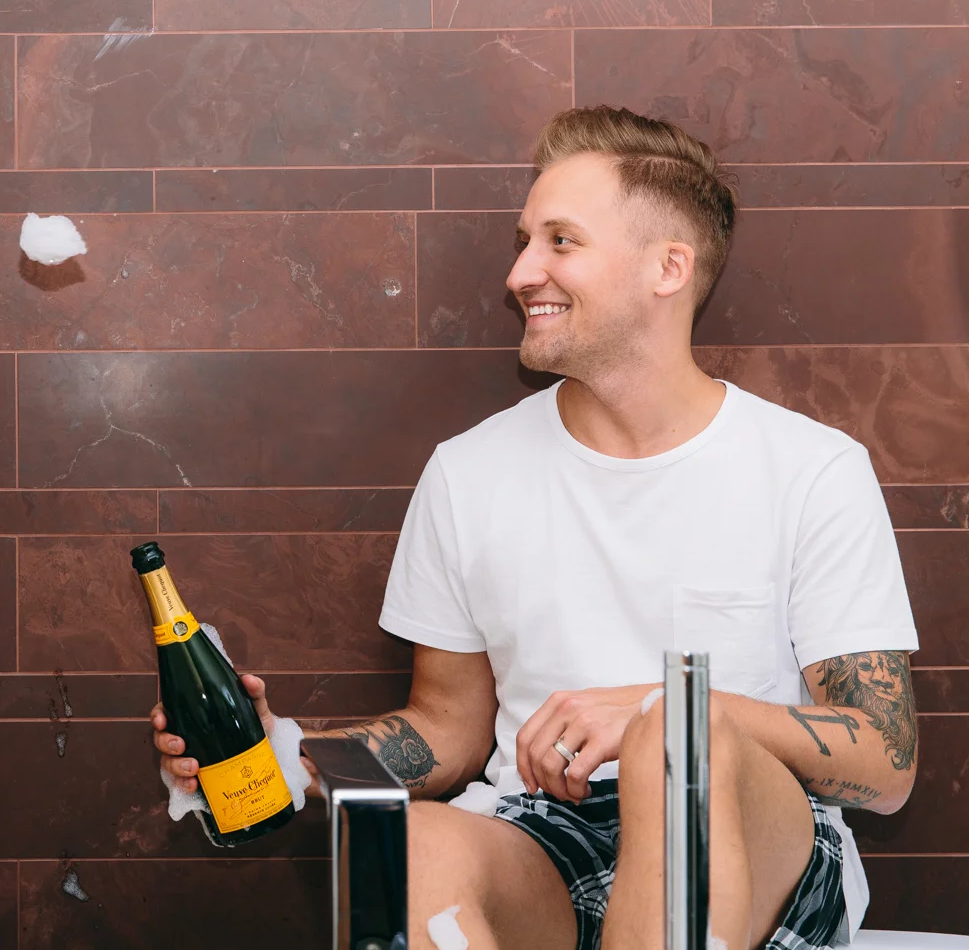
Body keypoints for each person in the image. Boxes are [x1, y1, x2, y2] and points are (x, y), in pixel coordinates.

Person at [153, 106, 919, 950]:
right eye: (524, 242)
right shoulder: (469, 472)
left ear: (668, 267)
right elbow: (447, 729)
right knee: (407, 845)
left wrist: (662, 709)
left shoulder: (811, 469)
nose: (521, 272)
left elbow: (886, 761)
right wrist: (281, 754)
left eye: (560, 241)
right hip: (546, 834)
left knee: (680, 740)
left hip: (754, 848)